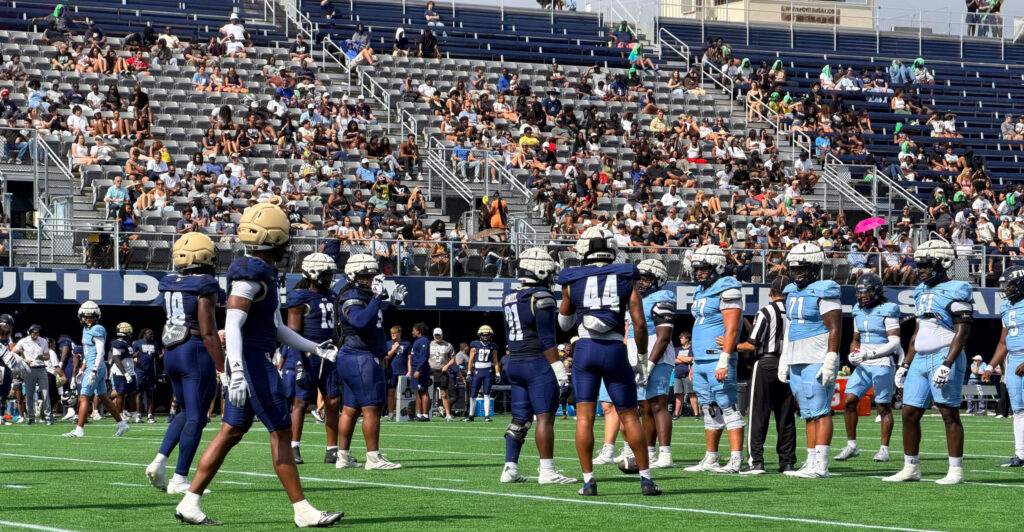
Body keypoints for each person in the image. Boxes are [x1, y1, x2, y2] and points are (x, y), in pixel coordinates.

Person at [173, 199, 343, 527]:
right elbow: (233, 326)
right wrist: (234, 371)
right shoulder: (249, 274)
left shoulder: (262, 272)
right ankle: (303, 511)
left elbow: (276, 327)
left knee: (231, 431)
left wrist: (315, 348)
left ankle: (189, 502)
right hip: (253, 364)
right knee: (280, 431)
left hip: (253, 360)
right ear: (275, 236)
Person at [557, 226, 661, 496]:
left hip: (585, 349)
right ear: (612, 252)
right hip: (614, 348)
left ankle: (589, 482)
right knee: (629, 415)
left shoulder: (573, 278)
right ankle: (646, 480)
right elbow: (639, 324)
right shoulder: (625, 277)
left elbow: (564, 321)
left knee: (584, 418)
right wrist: (640, 359)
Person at [884, 239, 972, 485]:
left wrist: (947, 363)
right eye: (918, 264)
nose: (919, 269)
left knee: (948, 413)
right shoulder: (921, 290)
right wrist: (905, 363)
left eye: (925, 264)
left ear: (942, 263)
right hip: (920, 358)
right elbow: (917, 332)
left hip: (944, 355)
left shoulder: (957, 289)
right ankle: (911, 467)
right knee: (909, 412)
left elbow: (962, 332)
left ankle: (956, 470)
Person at [145, 233, 225, 494]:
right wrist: (223, 367)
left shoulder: (168, 282)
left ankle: (160, 460)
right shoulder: (204, 283)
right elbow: (208, 330)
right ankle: (179, 478)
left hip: (172, 350)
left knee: (184, 411)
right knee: (197, 416)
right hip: (194, 350)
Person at [497, 248, 576, 485]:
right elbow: (547, 340)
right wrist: (561, 374)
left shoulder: (509, 296)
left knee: (520, 418)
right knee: (545, 418)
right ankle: (547, 470)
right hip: (536, 364)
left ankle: (510, 467)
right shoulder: (542, 297)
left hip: (515, 362)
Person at [334, 253, 407, 469]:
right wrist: (376, 297)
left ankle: (343, 456)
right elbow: (360, 321)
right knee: (372, 408)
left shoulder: (362, 296)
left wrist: (392, 304)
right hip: (360, 357)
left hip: (357, 357)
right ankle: (373, 457)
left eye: (373, 275)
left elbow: (376, 322)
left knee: (351, 409)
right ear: (354, 276)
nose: (371, 280)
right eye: (366, 276)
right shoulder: (353, 296)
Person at [778, 243, 842, 479]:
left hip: (817, 355)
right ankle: (811, 460)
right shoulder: (792, 291)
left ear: (815, 267)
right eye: (795, 269)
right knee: (807, 412)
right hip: (796, 355)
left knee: (821, 410)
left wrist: (831, 358)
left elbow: (835, 328)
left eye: (803, 268)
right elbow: (789, 327)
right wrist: (785, 357)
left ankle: (822, 464)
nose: (797, 274)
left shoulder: (825, 289)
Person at [684, 246, 745, 474]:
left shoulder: (727, 286)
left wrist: (724, 360)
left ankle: (736, 459)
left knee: (728, 406)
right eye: (697, 268)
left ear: (717, 267)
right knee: (709, 408)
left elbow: (732, 328)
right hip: (701, 359)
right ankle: (711, 457)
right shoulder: (701, 291)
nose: (698, 272)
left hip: (716, 358)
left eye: (703, 268)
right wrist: (693, 361)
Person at [733, 275, 797, 475]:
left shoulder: (766, 311)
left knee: (758, 414)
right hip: (789, 364)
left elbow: (752, 344)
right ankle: (787, 462)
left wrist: (732, 346)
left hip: (767, 363)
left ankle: (756, 461)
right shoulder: (795, 312)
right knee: (786, 416)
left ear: (770, 292)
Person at [836, 273, 902, 463]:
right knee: (849, 401)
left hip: (881, 363)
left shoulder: (888, 308)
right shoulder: (857, 309)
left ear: (876, 291)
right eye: (860, 292)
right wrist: (853, 353)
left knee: (883, 407)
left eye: (866, 292)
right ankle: (852, 445)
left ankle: (884, 449)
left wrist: (870, 354)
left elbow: (895, 343)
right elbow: (856, 340)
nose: (862, 296)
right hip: (863, 364)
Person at [285, 253, 342, 465]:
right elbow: (293, 333)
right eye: (325, 275)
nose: (329, 279)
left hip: (329, 354)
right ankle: (293, 446)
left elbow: (336, 329)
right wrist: (299, 361)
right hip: (308, 354)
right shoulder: (299, 296)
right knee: (300, 401)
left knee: (333, 401)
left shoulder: (333, 295)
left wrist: (338, 349)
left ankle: (332, 449)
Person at [629, 259, 677, 469]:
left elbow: (664, 336)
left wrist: (649, 364)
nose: (641, 282)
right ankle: (649, 452)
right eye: (639, 278)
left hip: (656, 356)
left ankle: (665, 454)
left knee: (658, 404)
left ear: (658, 280)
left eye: (646, 278)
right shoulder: (637, 298)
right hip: (638, 355)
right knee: (644, 406)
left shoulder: (661, 298)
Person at [62, 301, 131, 438]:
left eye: (91, 317)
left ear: (96, 316)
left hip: (96, 367)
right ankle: (122, 425)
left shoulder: (97, 329)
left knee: (83, 396)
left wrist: (93, 370)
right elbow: (89, 352)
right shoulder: (86, 330)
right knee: (104, 397)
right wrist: (83, 368)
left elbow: (100, 352)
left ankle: (79, 430)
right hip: (92, 366)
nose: (88, 319)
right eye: (86, 317)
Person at [983, 265, 1024, 467]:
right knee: (1018, 409)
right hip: (1014, 360)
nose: (1005, 289)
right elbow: (1003, 342)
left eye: (1008, 285)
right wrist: (990, 367)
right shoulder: (1007, 306)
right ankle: (1021, 455)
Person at [14, 324, 50, 425]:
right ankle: (31, 417)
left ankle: (47, 416)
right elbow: (13, 352)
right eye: (34, 333)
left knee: (45, 393)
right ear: (30, 333)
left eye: (37, 333)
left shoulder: (43, 341)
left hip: (42, 368)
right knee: (29, 394)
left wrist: (42, 357)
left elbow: (48, 356)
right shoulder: (23, 341)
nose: (36, 335)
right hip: (29, 369)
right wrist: (24, 360)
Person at [464, 325, 501, 422]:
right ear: (480, 335)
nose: (486, 337)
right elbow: (471, 360)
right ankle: (471, 415)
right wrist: (468, 372)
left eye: (487, 335)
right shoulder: (475, 344)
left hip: (488, 370)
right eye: (484, 335)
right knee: (473, 393)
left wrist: (498, 373)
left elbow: (495, 361)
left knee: (487, 393)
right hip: (477, 371)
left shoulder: (493, 346)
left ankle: (487, 415)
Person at [109, 322, 139, 425]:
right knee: (120, 394)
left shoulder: (126, 343)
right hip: (120, 373)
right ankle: (120, 415)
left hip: (130, 371)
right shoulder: (118, 343)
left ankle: (134, 415)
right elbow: (117, 360)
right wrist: (125, 374)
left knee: (132, 393)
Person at [428, 327, 457, 421]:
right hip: (431, 371)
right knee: (430, 394)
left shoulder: (448, 345)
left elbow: (453, 358)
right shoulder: (429, 344)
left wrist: (447, 366)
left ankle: (448, 414)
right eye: (436, 335)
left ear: (442, 335)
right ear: (433, 335)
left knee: (444, 394)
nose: (437, 337)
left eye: (439, 335)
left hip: (442, 371)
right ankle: (428, 413)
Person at [384, 326, 411, 421]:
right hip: (392, 372)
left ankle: (404, 413)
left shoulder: (407, 344)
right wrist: (394, 348)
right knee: (391, 392)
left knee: (404, 393)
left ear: (399, 333)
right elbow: (386, 357)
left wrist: (409, 371)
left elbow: (409, 358)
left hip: (403, 372)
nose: (393, 335)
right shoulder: (388, 343)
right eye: (391, 334)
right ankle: (391, 413)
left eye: (395, 333)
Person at [133, 328, 160, 423]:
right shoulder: (137, 343)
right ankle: (138, 415)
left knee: (150, 393)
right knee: (139, 393)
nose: (152, 336)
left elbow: (156, 356)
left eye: (152, 334)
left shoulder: (154, 343)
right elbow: (132, 354)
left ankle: (150, 415)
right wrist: (135, 359)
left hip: (151, 372)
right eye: (150, 334)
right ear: (144, 334)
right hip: (140, 371)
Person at [410, 323, 432, 421]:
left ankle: (425, 415)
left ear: (419, 331)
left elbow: (423, 357)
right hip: (415, 368)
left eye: (414, 330)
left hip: (421, 369)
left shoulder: (424, 341)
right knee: (417, 391)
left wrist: (418, 369)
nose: (412, 332)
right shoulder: (418, 341)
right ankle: (419, 414)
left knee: (423, 391)